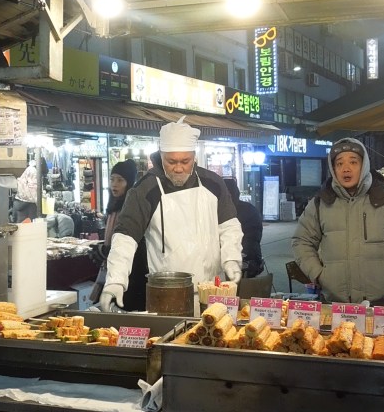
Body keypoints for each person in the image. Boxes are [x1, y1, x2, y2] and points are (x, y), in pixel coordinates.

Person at [100, 117, 243, 312]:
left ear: (194, 156)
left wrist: (232, 258)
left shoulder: (213, 182)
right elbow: (125, 236)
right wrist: (115, 280)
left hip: (213, 288)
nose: (178, 168)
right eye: (171, 161)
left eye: (185, 161)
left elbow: (229, 226)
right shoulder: (145, 189)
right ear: (161, 155)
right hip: (167, 293)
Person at [292, 137, 384, 305]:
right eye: (339, 164)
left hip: (383, 303)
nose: (346, 169)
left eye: (353, 162)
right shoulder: (320, 203)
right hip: (335, 303)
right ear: (333, 169)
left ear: (364, 166)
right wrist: (319, 275)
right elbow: (301, 241)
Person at [90, 159, 147, 310]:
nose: (114, 184)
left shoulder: (132, 208)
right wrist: (104, 250)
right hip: (112, 270)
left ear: (129, 182)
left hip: (131, 276)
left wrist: (108, 251)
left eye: (120, 180)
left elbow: (137, 245)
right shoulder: (113, 207)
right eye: (112, 179)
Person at [223, 177, 264, 277]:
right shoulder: (250, 208)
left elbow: (248, 240)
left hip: (245, 263)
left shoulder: (227, 212)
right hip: (253, 261)